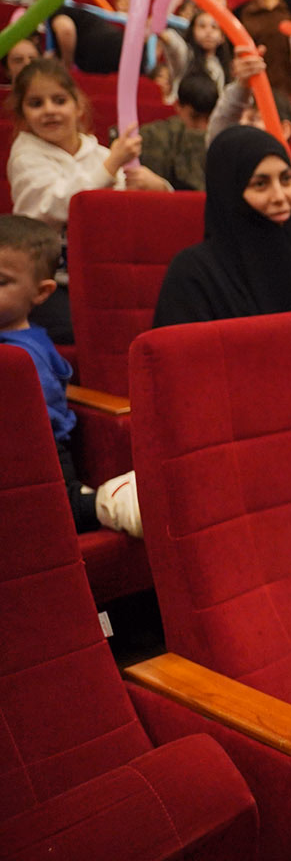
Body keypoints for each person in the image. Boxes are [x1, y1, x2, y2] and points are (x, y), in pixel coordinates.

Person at [6, 59, 161, 343]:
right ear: (23, 115)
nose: (50, 110)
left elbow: (134, 211)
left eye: (59, 100)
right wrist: (111, 166)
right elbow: (58, 205)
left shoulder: (99, 154)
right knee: (81, 333)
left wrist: (157, 188)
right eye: (36, 103)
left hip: (101, 272)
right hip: (50, 280)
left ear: (78, 107)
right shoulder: (25, 156)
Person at [154, 126, 291, 327]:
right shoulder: (192, 273)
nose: (280, 197)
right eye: (260, 184)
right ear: (229, 194)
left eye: (286, 179)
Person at [0, 214, 94, 531]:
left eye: (1, 282)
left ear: (41, 293)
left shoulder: (23, 355)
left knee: (62, 511)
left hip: (46, 453)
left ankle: (109, 504)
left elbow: (30, 425)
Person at [137, 72, 219, 191]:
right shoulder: (153, 136)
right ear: (178, 106)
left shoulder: (221, 138)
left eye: (209, 119)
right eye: (195, 117)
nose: (203, 127)